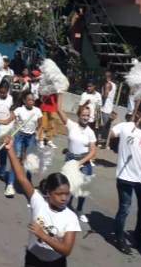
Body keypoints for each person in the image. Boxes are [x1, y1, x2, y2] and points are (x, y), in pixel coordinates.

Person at [3, 135, 81, 266]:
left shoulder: (70, 217)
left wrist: (43, 235)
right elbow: (22, 178)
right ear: (49, 193)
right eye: (59, 194)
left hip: (56, 262)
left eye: (67, 194)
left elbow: (67, 249)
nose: (64, 198)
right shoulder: (38, 201)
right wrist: (10, 150)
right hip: (33, 259)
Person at [105, 102, 141, 254]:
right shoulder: (125, 127)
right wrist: (109, 121)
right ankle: (119, 238)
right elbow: (106, 135)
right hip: (125, 177)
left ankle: (138, 232)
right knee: (124, 209)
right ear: (139, 114)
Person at [54, 92, 95, 221]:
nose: (86, 118)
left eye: (88, 116)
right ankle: (64, 206)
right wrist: (59, 93)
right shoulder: (71, 125)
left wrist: (81, 162)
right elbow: (59, 110)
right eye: (83, 115)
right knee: (68, 186)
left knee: (83, 188)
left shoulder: (90, 132)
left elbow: (93, 152)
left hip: (84, 161)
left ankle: (79, 210)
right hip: (70, 158)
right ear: (78, 116)